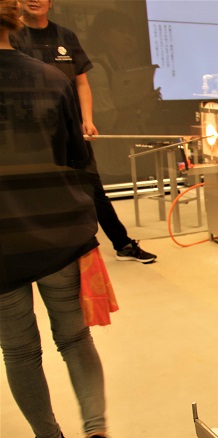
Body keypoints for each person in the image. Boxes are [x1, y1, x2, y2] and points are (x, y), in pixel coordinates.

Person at [0, 0, 112, 438]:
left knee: (20, 350)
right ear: (15, 20)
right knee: (75, 338)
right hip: (59, 234)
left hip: (3, 245)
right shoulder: (52, 80)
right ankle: (96, 431)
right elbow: (76, 159)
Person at [10, 0, 157, 264]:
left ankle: (123, 244)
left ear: (50, 3)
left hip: (70, 129)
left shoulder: (65, 36)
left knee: (92, 188)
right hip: (30, 135)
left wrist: (87, 120)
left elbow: (82, 82)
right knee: (37, 192)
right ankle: (43, 253)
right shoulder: (12, 36)